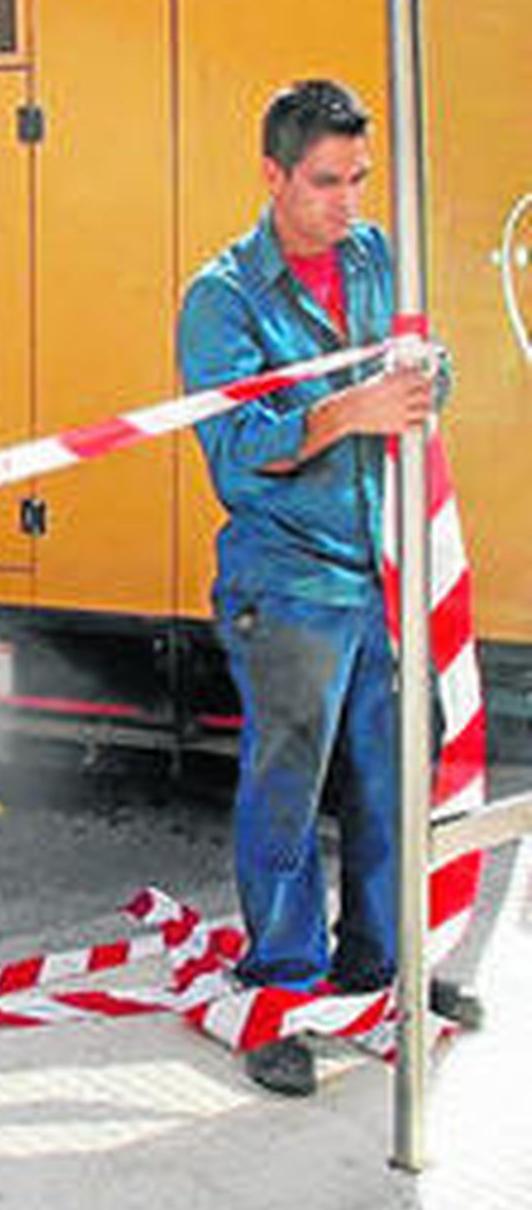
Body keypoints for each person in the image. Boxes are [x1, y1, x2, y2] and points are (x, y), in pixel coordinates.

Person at [178, 78, 439, 1098]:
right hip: (285, 582)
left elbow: (425, 371)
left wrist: (425, 379)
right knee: (286, 790)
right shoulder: (224, 297)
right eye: (325, 181)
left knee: (387, 778)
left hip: (376, 572)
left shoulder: (372, 257)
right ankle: (282, 993)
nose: (345, 203)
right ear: (273, 174)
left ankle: (376, 972)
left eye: (358, 179)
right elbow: (237, 454)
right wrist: (347, 409)